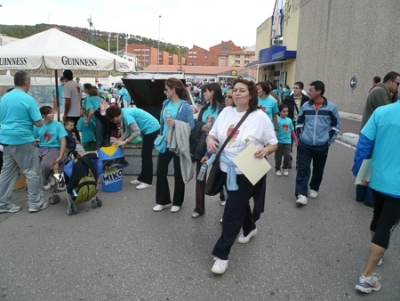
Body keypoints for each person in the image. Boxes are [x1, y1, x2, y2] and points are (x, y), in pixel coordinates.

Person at [206, 77, 278, 275]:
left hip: (247, 170)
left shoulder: (260, 117)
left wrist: (266, 151)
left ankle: (222, 255)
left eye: (242, 90)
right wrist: (210, 141)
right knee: (239, 205)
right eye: (235, 90)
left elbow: (273, 143)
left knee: (231, 211)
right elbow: (212, 134)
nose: (237, 93)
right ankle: (249, 227)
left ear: (251, 94)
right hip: (224, 169)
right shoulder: (225, 112)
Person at [352, 100, 400, 294]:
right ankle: (366, 278)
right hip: (397, 188)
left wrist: (360, 171)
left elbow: (364, 143)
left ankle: (377, 256)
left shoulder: (382, 112)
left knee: (378, 219)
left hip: (378, 179)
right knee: (385, 227)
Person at [0, 70, 48, 213]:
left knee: (7, 172)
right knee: (32, 171)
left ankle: (3, 203)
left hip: (6, 139)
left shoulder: (4, 98)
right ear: (27, 82)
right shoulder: (28, 99)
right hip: (23, 139)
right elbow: (38, 123)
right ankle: (35, 203)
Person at [356, 71, 400, 206]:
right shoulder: (381, 93)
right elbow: (388, 112)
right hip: (374, 134)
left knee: (367, 164)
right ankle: (370, 197)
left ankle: (361, 194)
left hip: (370, 131)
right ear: (390, 81)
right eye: (397, 83)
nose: (398, 87)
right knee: (372, 165)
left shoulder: (378, 91)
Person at [294, 80, 340, 207]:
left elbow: (335, 126)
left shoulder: (331, 107)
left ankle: (314, 187)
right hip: (305, 143)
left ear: (318, 92)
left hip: (322, 145)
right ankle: (301, 194)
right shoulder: (306, 106)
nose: (308, 92)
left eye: (310, 90)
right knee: (303, 169)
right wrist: (299, 137)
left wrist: (329, 140)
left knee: (318, 169)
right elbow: (299, 122)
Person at [153, 77, 194, 213]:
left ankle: (177, 202)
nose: (164, 92)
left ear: (173, 89)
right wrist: (161, 134)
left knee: (178, 172)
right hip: (165, 140)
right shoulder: (166, 103)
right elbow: (163, 122)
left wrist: (176, 123)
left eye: (166, 89)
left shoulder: (186, 106)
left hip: (178, 142)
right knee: (160, 171)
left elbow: (191, 126)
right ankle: (162, 201)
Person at [106, 106, 160, 190]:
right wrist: (119, 140)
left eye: (114, 120)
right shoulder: (123, 114)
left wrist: (125, 141)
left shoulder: (126, 115)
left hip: (152, 128)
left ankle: (148, 181)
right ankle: (142, 178)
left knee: (146, 155)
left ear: (116, 116)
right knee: (144, 155)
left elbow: (137, 131)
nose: (115, 121)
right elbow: (128, 132)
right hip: (148, 128)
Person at [191, 83, 225, 218]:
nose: (203, 94)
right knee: (200, 176)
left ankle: (223, 197)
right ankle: (199, 208)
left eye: (206, 91)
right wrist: (201, 127)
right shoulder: (204, 109)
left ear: (213, 92)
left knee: (222, 174)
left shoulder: (224, 109)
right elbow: (196, 124)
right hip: (202, 146)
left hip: (219, 147)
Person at [34, 106, 67, 190]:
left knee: (45, 164)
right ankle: (49, 176)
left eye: (52, 112)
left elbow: (63, 141)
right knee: (34, 163)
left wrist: (60, 156)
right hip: (42, 149)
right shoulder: (38, 125)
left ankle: (46, 181)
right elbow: (31, 137)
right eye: (49, 113)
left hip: (55, 148)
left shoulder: (58, 125)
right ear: (43, 115)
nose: (52, 114)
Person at [275, 103, 297, 176]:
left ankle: (285, 167)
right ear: (280, 112)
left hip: (288, 141)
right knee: (278, 156)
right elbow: (275, 131)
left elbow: (292, 131)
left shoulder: (289, 120)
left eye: (286, 111)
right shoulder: (277, 120)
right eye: (283, 111)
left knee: (287, 155)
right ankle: (277, 168)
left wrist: (295, 140)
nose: (285, 113)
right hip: (279, 141)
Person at [63, 70, 82, 143]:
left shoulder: (67, 86)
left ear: (64, 77)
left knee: (69, 132)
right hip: (77, 112)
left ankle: (75, 148)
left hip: (70, 113)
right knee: (75, 131)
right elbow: (80, 100)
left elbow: (68, 101)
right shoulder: (78, 85)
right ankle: (78, 146)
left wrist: (65, 114)